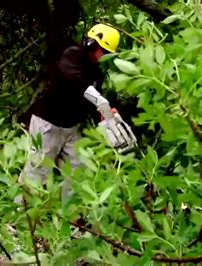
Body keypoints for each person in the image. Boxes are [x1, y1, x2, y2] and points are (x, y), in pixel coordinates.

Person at [16, 23, 135, 204]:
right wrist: (100, 101)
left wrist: (104, 115)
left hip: (71, 127)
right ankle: (22, 215)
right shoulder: (72, 56)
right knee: (38, 169)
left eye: (107, 53)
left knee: (77, 170)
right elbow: (74, 79)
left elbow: (90, 102)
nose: (103, 56)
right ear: (91, 44)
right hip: (48, 122)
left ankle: (72, 214)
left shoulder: (97, 74)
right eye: (102, 51)